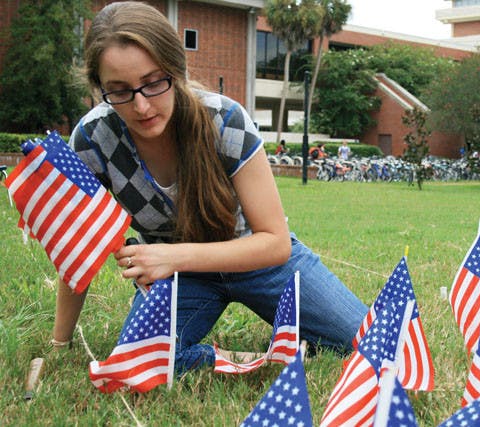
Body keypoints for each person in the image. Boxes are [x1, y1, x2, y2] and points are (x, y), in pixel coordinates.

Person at [51, 2, 367, 375]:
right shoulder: (93, 139)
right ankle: (244, 358)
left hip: (256, 260)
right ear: (100, 88)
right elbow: (77, 248)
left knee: (373, 344)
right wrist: (60, 343)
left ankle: (295, 338)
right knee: (139, 366)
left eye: (153, 82)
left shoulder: (226, 121)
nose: (141, 105)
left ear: (176, 69)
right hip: (178, 278)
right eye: (118, 91)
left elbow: (276, 242)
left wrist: (173, 257)